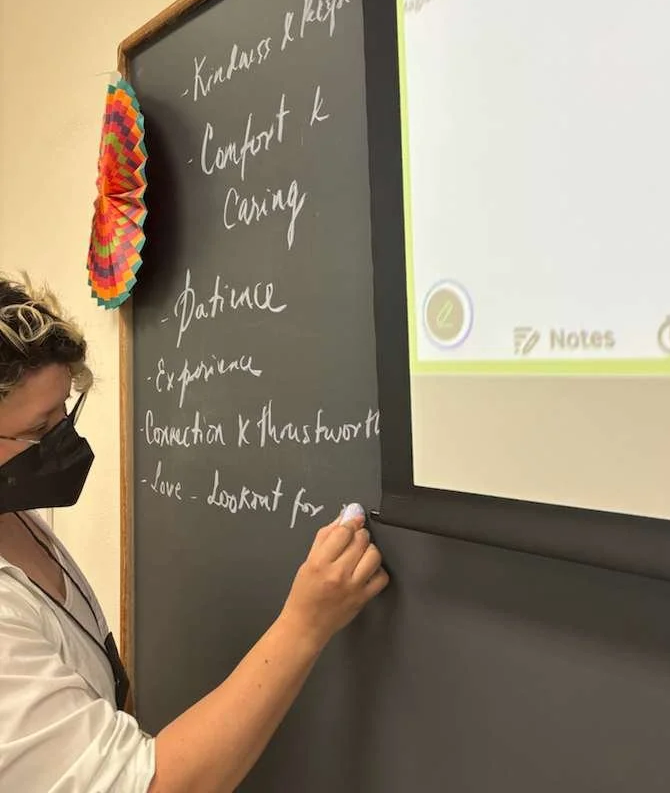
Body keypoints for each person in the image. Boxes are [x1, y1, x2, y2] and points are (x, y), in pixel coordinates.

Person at [0, 275, 389, 792]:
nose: (62, 441)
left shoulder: (16, 517)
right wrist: (305, 624)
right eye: (40, 429)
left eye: (64, 414)